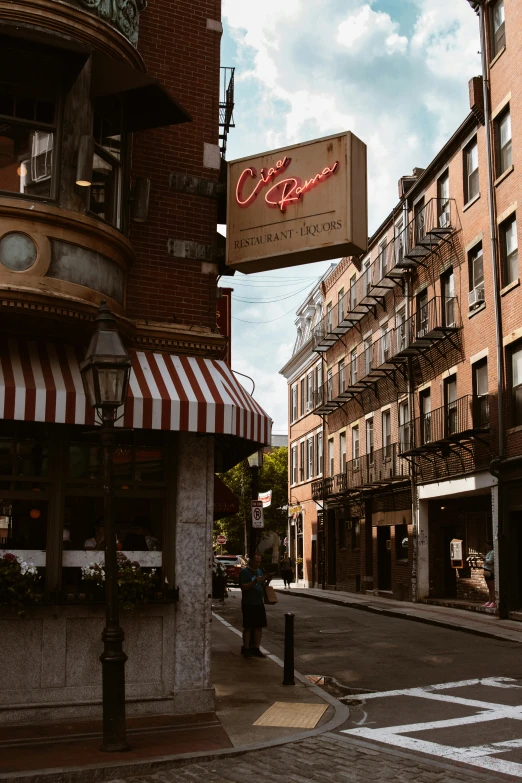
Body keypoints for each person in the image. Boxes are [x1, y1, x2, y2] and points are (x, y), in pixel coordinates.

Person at [239, 553, 269, 659]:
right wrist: (255, 581)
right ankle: (246, 648)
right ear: (251, 561)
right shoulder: (244, 572)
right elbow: (244, 587)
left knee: (258, 627)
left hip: (258, 603)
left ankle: (256, 648)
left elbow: (261, 586)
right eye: (256, 561)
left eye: (259, 561)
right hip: (248, 603)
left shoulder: (259, 571)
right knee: (248, 627)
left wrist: (266, 580)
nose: (258, 563)